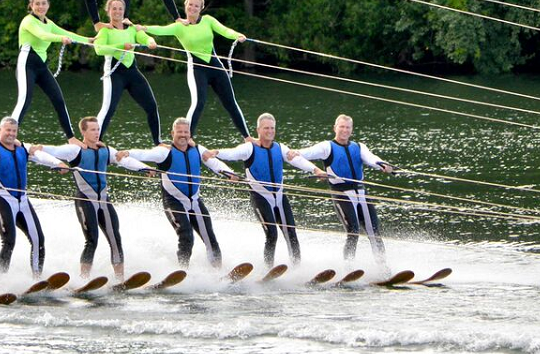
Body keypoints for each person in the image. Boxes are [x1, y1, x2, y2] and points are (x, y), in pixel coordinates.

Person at [33, 116, 152, 280]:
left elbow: (123, 160)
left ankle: (120, 280)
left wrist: (144, 168)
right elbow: (56, 151)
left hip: (103, 200)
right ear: (83, 131)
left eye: (98, 129)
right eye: (93, 130)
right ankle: (84, 279)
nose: (97, 133)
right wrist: (41, 147)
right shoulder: (75, 150)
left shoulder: (106, 150)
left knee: (115, 238)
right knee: (92, 240)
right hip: (85, 200)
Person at [203, 113, 326, 266]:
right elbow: (233, 153)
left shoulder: (280, 148)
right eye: (266, 128)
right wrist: (217, 152)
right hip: (260, 196)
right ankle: (268, 268)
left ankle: (297, 269)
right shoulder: (249, 148)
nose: (270, 131)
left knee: (291, 234)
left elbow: (297, 160)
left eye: (272, 128)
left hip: (280, 196)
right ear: (258, 130)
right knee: (272, 234)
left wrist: (316, 170)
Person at [118, 118, 237, 268]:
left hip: (195, 201)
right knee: (186, 236)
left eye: (186, 132)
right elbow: (144, 154)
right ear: (172, 133)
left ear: (190, 134)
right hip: (174, 202)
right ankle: (182, 271)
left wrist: (230, 173)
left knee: (210, 238)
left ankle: (219, 273)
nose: (183, 135)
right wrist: (128, 152)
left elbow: (214, 163)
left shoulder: (198, 150)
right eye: (179, 132)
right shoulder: (164, 152)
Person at [0, 117, 68, 277]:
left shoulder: (23, 148)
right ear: (0, 130)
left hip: (22, 201)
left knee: (38, 240)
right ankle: (2, 281)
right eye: (7, 130)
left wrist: (58, 163)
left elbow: (40, 155)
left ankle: (37, 278)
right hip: (2, 200)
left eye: (14, 131)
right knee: (9, 241)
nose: (11, 134)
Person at [136, 0, 251, 141]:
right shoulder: (179, 27)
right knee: (198, 103)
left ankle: (247, 137)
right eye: (190, 4)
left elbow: (224, 30)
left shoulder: (208, 20)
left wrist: (237, 35)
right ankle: (187, 138)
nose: (192, 8)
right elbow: (161, 29)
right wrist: (143, 28)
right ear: (185, 5)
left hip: (215, 66)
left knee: (231, 102)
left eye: (196, 6)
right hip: (197, 68)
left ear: (201, 8)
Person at [291, 114, 395, 263]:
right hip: (341, 193)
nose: (344, 130)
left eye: (347, 127)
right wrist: (297, 152)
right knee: (353, 231)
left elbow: (371, 158)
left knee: (374, 231)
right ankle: (348, 268)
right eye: (341, 127)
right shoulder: (327, 147)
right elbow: (310, 152)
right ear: (335, 128)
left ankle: (383, 268)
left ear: (351, 130)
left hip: (361, 192)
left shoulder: (359, 147)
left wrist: (382, 164)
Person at [11, 0, 93, 140]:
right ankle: (9, 135)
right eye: (37, 4)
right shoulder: (28, 21)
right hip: (27, 64)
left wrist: (88, 40)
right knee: (25, 99)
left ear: (48, 5)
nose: (40, 7)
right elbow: (43, 35)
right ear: (31, 5)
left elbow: (67, 33)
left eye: (43, 3)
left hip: (41, 66)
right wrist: (60, 38)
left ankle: (71, 138)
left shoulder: (48, 23)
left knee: (59, 99)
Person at [93, 0, 163, 144]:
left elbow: (142, 36)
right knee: (108, 109)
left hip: (132, 72)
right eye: (114, 9)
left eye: (120, 9)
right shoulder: (105, 31)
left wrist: (150, 41)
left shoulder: (131, 28)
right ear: (108, 11)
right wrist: (121, 46)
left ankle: (158, 142)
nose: (117, 12)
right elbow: (99, 49)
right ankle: (95, 142)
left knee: (151, 106)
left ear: (124, 11)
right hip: (114, 74)